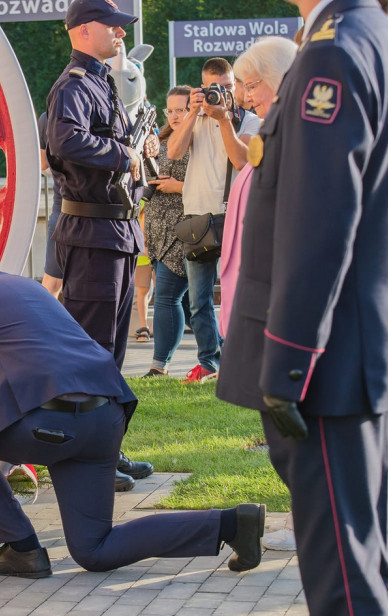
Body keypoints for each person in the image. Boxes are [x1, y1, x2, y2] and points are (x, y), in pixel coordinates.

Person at [215, 0, 388, 616]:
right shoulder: (384, 39)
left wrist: (287, 364)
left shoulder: (333, 51)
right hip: (361, 345)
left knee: (344, 582)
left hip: (329, 361)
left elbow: (319, 220)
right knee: (361, 570)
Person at [0, 232, 266, 578]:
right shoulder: (21, 284)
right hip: (105, 417)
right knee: (94, 550)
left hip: (45, 420)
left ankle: (22, 547)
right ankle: (232, 524)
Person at [45, 0, 156, 483]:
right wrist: (122, 154)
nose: (121, 34)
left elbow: (113, 143)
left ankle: (106, 449)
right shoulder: (73, 84)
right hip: (92, 232)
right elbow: (64, 142)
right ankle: (86, 459)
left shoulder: (97, 82)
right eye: (113, 27)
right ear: (85, 30)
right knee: (91, 352)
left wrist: (138, 149)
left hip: (113, 229)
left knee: (110, 352)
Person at [166, 58, 260, 383]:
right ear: (203, 88)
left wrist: (224, 120)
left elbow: (241, 160)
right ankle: (209, 362)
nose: (223, 94)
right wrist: (193, 112)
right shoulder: (197, 118)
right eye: (214, 89)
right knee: (198, 301)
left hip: (236, 217)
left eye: (228, 88)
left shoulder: (250, 121)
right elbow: (174, 153)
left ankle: (241, 362)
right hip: (197, 216)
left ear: (236, 86)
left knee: (242, 295)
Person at [217, 38, 298, 338]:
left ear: (278, 78)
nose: (247, 98)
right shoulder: (275, 130)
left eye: (251, 86)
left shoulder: (295, 132)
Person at [142, 86, 191, 378]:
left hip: (185, 230)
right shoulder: (160, 139)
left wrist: (178, 186)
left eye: (180, 110)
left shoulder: (201, 139)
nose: (173, 115)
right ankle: (218, 355)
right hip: (157, 229)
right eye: (169, 110)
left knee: (166, 297)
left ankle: (159, 364)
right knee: (187, 302)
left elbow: (212, 184)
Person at [37, 112, 64, 298]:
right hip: (100, 210)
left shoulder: (48, 117)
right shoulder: (102, 112)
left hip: (62, 205)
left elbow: (43, 164)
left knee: (52, 282)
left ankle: (45, 325)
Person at [133, 254, 154, 342]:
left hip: (162, 254)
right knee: (142, 290)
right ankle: (143, 326)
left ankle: (161, 327)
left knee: (163, 293)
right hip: (143, 257)